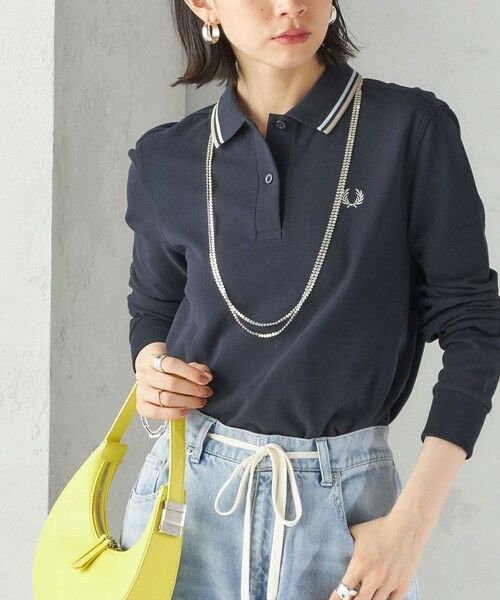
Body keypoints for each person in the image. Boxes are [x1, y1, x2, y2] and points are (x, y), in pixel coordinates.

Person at [119, 1, 500, 599]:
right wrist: (153, 370)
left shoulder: (410, 130)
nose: (290, 5)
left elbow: (475, 327)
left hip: (346, 512)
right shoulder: (165, 157)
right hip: (186, 503)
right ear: (203, 4)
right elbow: (153, 309)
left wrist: (411, 526)